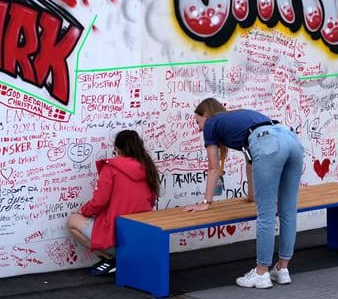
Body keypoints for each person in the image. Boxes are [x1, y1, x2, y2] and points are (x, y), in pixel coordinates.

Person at [184, 98, 304, 289]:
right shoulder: (237, 118)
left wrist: (206, 201)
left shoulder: (212, 124)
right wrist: (251, 195)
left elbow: (213, 168)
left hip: (267, 142)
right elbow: (252, 160)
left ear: (206, 115)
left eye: (198, 122)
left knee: (265, 215)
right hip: (290, 138)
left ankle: (261, 273)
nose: (199, 129)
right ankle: (282, 270)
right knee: (288, 211)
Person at [67, 130, 160, 275]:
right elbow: (152, 199)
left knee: (73, 222)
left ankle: (109, 258)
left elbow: (99, 202)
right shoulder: (148, 167)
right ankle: (120, 258)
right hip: (142, 228)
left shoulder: (111, 168)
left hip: (116, 230)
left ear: (118, 148)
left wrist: (84, 211)